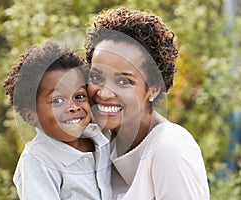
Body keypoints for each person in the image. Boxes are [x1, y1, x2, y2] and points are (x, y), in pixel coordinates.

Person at [85, 6, 210, 199]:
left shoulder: (170, 148)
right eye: (96, 77)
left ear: (153, 87)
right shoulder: (97, 142)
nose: (104, 92)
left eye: (123, 81)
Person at [3, 41, 112, 200]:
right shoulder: (37, 160)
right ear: (31, 115)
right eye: (57, 100)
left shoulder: (103, 137)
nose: (73, 107)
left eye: (79, 96)